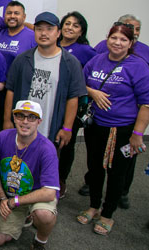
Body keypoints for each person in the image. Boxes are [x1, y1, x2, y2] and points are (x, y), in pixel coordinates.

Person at [76, 23, 149, 236]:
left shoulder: (138, 66)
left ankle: (108, 214)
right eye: (113, 38)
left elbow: (146, 104)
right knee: (95, 167)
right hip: (96, 126)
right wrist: (93, 92)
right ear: (107, 39)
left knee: (117, 172)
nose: (117, 43)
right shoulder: (97, 60)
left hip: (123, 130)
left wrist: (137, 134)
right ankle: (94, 206)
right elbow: (81, 80)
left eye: (123, 40)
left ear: (131, 43)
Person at [3, 12, 86, 152]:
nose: (43, 33)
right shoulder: (22, 59)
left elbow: (73, 97)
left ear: (58, 32)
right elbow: (10, 90)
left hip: (51, 128)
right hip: (23, 127)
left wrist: (67, 128)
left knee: (48, 167)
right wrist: (7, 120)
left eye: (49, 29)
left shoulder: (70, 63)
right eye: (39, 29)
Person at [0, 100, 60, 250]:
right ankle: (24, 216)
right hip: (8, 195)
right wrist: (2, 198)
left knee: (44, 215)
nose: (25, 121)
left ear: (39, 121)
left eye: (31, 117)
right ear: (14, 118)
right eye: (20, 116)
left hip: (35, 195)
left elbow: (49, 192)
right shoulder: (2, 137)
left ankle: (40, 240)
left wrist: (14, 202)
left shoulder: (47, 149)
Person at [56, 11, 96, 198]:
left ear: (81, 31)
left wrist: (91, 92)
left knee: (66, 143)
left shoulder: (86, 51)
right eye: (67, 23)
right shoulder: (52, 44)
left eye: (75, 25)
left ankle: (61, 180)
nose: (70, 28)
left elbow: (92, 79)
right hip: (51, 101)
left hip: (72, 105)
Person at [0, 1, 37, 70]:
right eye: (9, 13)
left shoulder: (32, 37)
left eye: (16, 13)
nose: (12, 16)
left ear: (24, 17)